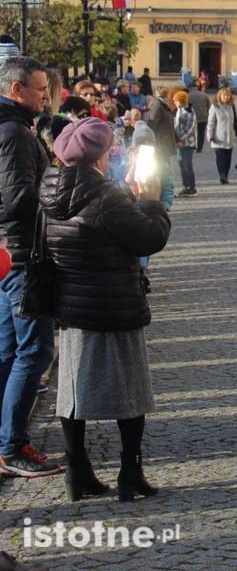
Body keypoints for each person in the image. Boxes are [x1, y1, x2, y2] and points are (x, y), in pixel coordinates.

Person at [40, 117, 170, 501]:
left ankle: (76, 470)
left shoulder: (47, 192)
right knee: (130, 393)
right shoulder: (107, 198)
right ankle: (130, 471)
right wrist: (150, 202)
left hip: (72, 304)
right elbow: (149, 237)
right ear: (98, 157)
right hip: (113, 302)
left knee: (73, 393)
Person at [0, 56, 60, 478]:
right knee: (35, 349)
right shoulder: (15, 133)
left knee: (6, 351)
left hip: (9, 252)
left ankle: (4, 441)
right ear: (17, 89)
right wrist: (56, 185)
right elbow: (18, 198)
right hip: (22, 254)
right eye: (40, 90)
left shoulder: (15, 128)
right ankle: (12, 445)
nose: (46, 97)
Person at [206, 86, 237, 184]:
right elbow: (211, 122)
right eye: (224, 95)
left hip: (230, 136)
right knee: (220, 157)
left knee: (227, 157)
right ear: (219, 96)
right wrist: (209, 135)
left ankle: (225, 175)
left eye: (228, 95)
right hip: (218, 137)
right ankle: (222, 175)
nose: (226, 97)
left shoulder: (233, 106)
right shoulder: (214, 107)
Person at [172, 90, 197, 196]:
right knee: (181, 164)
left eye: (176, 101)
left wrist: (179, 139)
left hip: (188, 143)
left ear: (181, 101)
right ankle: (185, 185)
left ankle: (192, 187)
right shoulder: (179, 110)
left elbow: (190, 128)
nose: (175, 103)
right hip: (179, 142)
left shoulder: (189, 111)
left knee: (187, 165)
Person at [188, 83, 211, 154]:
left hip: (192, 117)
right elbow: (209, 106)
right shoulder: (204, 95)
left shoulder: (188, 96)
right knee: (201, 133)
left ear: (190, 88)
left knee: (193, 132)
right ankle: (199, 148)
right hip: (203, 117)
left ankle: (194, 145)